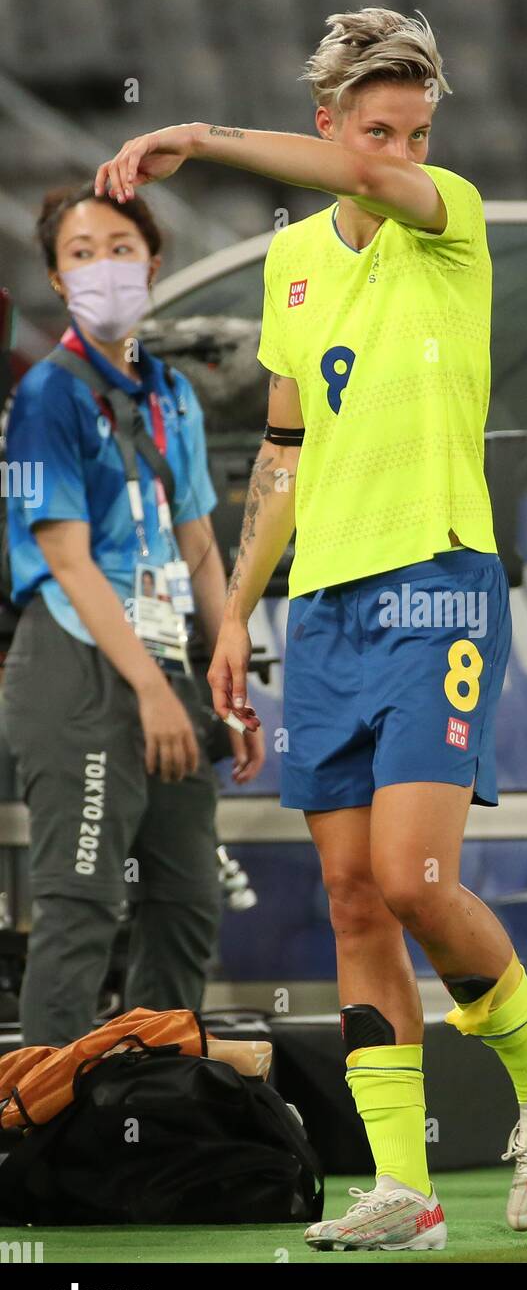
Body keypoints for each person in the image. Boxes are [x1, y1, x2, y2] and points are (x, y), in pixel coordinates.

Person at [95, 7, 527, 1250]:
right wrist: (235, 611)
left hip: (438, 585)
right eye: (380, 128)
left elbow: (379, 186)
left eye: (418, 130)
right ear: (328, 120)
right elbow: (282, 450)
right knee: (351, 901)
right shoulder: (293, 264)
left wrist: (196, 135)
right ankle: (403, 1190)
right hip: (326, 611)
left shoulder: (448, 218)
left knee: (417, 881)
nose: (404, 151)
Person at [3, 184, 265, 1048]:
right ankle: (41, 1143)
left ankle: (152, 1120)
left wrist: (228, 663)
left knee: (186, 903)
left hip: (167, 669)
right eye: (80, 254)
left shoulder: (173, 395)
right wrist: (151, 690)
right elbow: (68, 561)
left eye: (119, 247)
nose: (102, 266)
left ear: (153, 264)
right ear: (54, 277)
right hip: (78, 667)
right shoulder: (50, 397)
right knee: (79, 905)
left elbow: (196, 544)